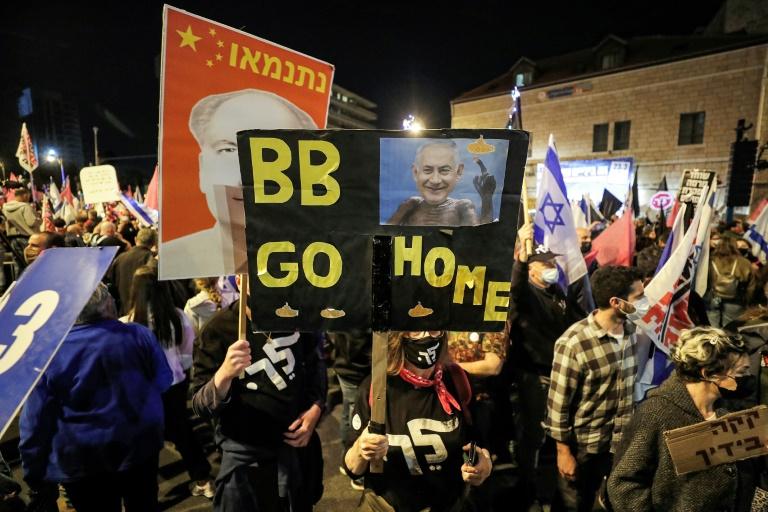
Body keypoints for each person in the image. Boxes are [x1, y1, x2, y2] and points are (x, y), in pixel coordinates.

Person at [19, 283, 172, 512]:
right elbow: (164, 381)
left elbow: (35, 419)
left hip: (82, 461)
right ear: (107, 303)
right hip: (139, 447)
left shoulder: (47, 353)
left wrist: (33, 469)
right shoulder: (138, 334)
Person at [191, 278, 326, 511]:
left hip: (298, 452)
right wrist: (224, 375)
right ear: (240, 279)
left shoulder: (297, 316)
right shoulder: (217, 330)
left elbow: (316, 367)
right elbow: (200, 405)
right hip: (247, 464)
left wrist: (316, 407)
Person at [160, 89, 317, 279]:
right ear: (202, 169)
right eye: (228, 150)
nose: (247, 178)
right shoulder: (172, 262)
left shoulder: (322, 267)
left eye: (274, 155)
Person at [608, 327, 759, 511]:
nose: (748, 378)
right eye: (741, 373)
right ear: (708, 374)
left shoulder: (732, 409)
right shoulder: (655, 414)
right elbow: (623, 484)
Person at [344, 331, 493, 511]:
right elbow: (352, 469)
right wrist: (362, 448)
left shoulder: (458, 380)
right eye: (416, 329)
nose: (426, 336)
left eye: (433, 328)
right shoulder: (375, 388)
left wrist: (483, 466)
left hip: (449, 504)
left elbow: (478, 442)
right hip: (388, 505)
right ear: (398, 336)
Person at [544, 265, 644, 512]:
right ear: (616, 302)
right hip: (584, 448)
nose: (644, 303)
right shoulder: (574, 343)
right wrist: (563, 453)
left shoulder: (634, 331)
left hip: (619, 444)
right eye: (638, 297)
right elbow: (558, 406)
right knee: (574, 505)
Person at [507, 223, 587, 509]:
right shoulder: (526, 295)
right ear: (531, 269)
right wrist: (519, 260)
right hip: (534, 377)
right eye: (546, 264)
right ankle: (528, 489)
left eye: (553, 262)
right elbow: (514, 291)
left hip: (559, 375)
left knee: (557, 435)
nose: (553, 267)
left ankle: (549, 488)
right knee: (534, 437)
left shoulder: (557, 293)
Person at [121, 265, 215, 498]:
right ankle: (203, 479)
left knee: (147, 440)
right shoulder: (177, 316)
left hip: (144, 390)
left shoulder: (127, 324)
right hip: (175, 383)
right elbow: (188, 351)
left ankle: (146, 493)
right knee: (182, 432)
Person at [385, 141, 495, 227]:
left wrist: (487, 198)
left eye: (444, 170)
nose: (435, 180)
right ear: (415, 172)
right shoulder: (411, 205)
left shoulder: (462, 206)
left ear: (458, 172)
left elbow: (479, 240)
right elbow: (384, 235)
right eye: (427, 170)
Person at [326, 329, 372, 490]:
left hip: (345, 366)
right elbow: (359, 342)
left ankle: (345, 458)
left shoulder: (348, 312)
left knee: (348, 411)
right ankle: (356, 472)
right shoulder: (362, 319)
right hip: (356, 370)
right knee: (357, 418)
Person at [107, 227, 157, 315]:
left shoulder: (120, 258)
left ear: (135, 239)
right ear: (154, 243)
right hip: (147, 313)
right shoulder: (153, 260)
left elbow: (111, 284)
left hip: (124, 312)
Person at [707, 235, 755, 327]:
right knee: (731, 329)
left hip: (712, 299)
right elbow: (751, 287)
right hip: (736, 302)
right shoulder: (744, 262)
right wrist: (746, 301)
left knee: (712, 329)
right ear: (735, 246)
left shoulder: (710, 260)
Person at [2, 188, 39, 260]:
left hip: (12, 239)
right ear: (25, 195)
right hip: (27, 238)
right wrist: (38, 219)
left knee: (18, 261)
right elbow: (31, 223)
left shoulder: (5, 208)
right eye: (28, 196)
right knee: (31, 261)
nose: (29, 198)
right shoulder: (25, 206)